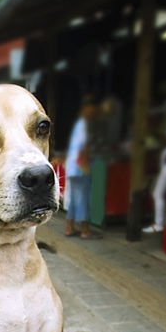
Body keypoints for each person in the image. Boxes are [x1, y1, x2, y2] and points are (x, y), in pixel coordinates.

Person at [64, 96, 95, 239]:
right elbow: (83, 148)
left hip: (73, 166)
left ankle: (70, 228)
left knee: (75, 199)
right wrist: (85, 165)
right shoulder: (84, 125)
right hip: (79, 167)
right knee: (82, 198)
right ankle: (84, 230)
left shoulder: (80, 124)